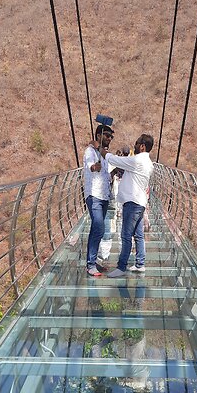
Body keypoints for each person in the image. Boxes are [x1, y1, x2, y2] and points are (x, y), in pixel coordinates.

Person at [102, 134, 155, 277]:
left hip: (132, 203)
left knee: (126, 235)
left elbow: (117, 160)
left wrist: (104, 153)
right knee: (138, 236)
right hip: (140, 202)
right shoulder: (148, 163)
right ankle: (140, 264)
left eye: (137, 143)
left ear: (142, 146)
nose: (135, 146)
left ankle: (121, 267)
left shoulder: (138, 160)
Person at [82, 117, 115, 277]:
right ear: (98, 135)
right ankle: (90, 264)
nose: (109, 138)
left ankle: (92, 263)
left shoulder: (105, 155)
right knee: (100, 228)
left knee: (96, 229)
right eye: (107, 135)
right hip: (94, 195)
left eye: (111, 137)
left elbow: (106, 176)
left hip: (103, 196)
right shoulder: (90, 151)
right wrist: (96, 165)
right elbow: (92, 168)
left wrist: (113, 173)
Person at [98, 149, 127, 264]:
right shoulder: (114, 166)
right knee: (112, 227)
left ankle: (105, 256)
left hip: (115, 199)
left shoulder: (123, 165)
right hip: (112, 199)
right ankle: (113, 255)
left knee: (111, 227)